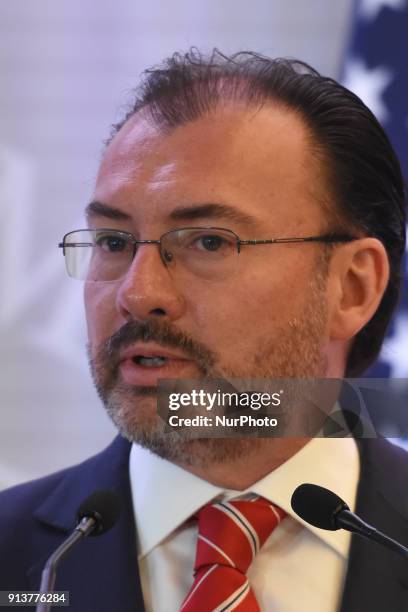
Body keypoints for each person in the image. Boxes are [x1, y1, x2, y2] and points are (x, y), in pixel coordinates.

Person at [0, 50, 407, 611]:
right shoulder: (19, 560)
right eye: (115, 244)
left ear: (353, 288)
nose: (139, 294)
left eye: (209, 242)